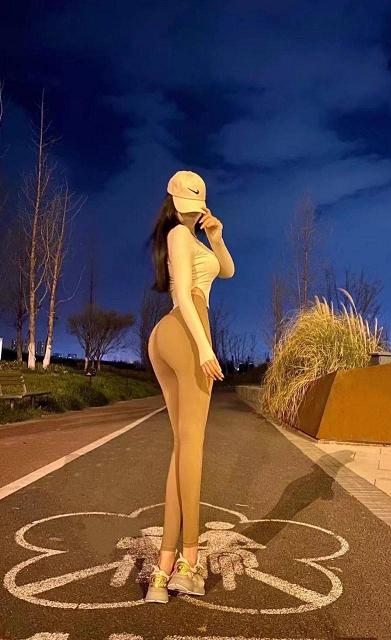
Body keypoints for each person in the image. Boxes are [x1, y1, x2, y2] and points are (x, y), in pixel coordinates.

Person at [145, 170, 235, 603]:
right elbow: (183, 294)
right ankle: (191, 563)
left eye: (196, 208)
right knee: (192, 449)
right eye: (188, 207)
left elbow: (228, 270)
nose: (191, 214)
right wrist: (203, 348)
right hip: (186, 329)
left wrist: (216, 236)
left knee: (181, 450)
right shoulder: (179, 235)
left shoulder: (193, 237)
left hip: (166, 336)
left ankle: (161, 574)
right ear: (174, 203)